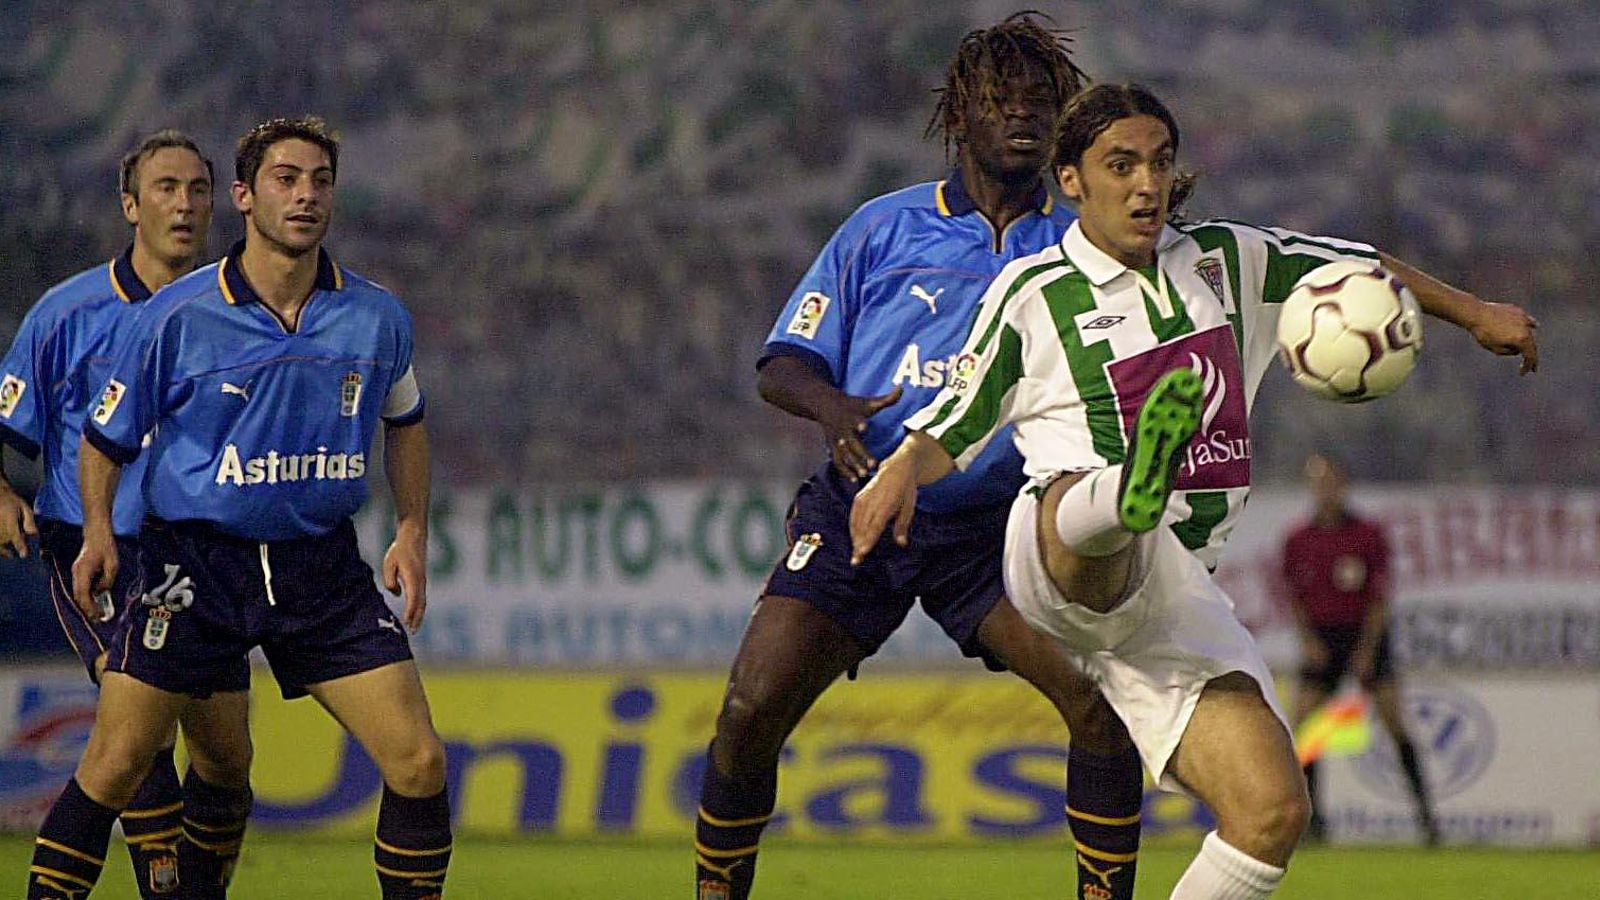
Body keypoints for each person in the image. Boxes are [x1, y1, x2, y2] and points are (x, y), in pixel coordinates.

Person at [851, 83, 1536, 899]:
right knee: (1091, 512)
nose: (1147, 183)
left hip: (1175, 600)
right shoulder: (1034, 296)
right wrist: (897, 469)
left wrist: (1474, 311)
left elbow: (1359, 267)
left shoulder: (1226, 258)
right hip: (1061, 556)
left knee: (1273, 813)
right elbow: (954, 426)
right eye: (1120, 165)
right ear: (1070, 179)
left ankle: (1136, 492)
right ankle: (1128, 488)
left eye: (1159, 162)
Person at [696, 16, 1148, 900]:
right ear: (960, 119)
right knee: (749, 709)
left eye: (1040, 103)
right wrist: (833, 411)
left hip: (998, 528)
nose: (1023, 115)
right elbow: (783, 362)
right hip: (859, 507)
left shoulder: (1080, 248)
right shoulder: (881, 228)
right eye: (1002, 101)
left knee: (1099, 708)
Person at [23, 117, 451, 900]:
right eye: (287, 180)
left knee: (419, 762)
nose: (307, 195)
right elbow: (103, 438)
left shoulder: (377, 316)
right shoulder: (178, 316)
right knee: (118, 764)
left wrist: (412, 530)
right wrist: (95, 534)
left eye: (320, 180)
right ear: (248, 197)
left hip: (319, 568)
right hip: (194, 567)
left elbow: (407, 422)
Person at [2, 130, 255, 900]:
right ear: (130, 205)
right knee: (134, 731)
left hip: (204, 553)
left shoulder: (240, 312)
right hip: (96, 543)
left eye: (198, 190)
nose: (184, 204)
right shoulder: (66, 313)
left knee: (227, 760)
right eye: (166, 188)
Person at [1283, 453, 1438, 845]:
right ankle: (1314, 823)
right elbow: (1295, 597)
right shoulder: (1298, 538)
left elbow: (1379, 598)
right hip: (1323, 637)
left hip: (1364, 635)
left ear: (1343, 485)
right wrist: (1307, 641)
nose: (1324, 490)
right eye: (1317, 483)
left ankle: (1427, 818)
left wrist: (1368, 649)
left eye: (1330, 482)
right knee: (1305, 727)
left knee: (1393, 721)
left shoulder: (1367, 534)